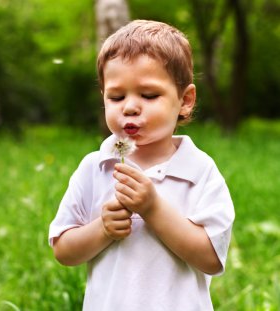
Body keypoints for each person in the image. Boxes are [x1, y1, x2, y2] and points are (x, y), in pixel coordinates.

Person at [49, 20, 235, 310]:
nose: (130, 107)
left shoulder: (199, 171)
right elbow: (63, 249)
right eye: (116, 96)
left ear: (185, 101)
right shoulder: (95, 168)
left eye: (148, 95)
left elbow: (211, 259)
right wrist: (102, 229)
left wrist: (153, 208)